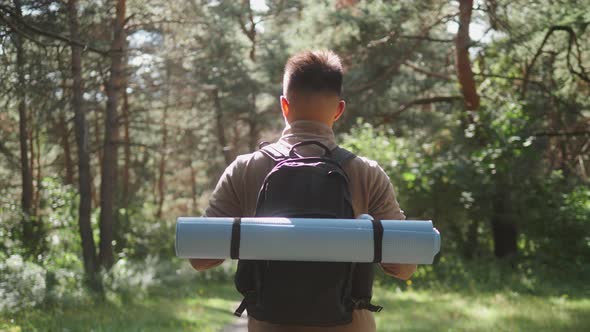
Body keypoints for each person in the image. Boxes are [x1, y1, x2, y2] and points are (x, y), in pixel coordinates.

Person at [190, 50, 416, 332]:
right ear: (339, 110)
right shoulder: (367, 173)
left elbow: (200, 258)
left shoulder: (245, 169)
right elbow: (405, 265)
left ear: (284, 106)